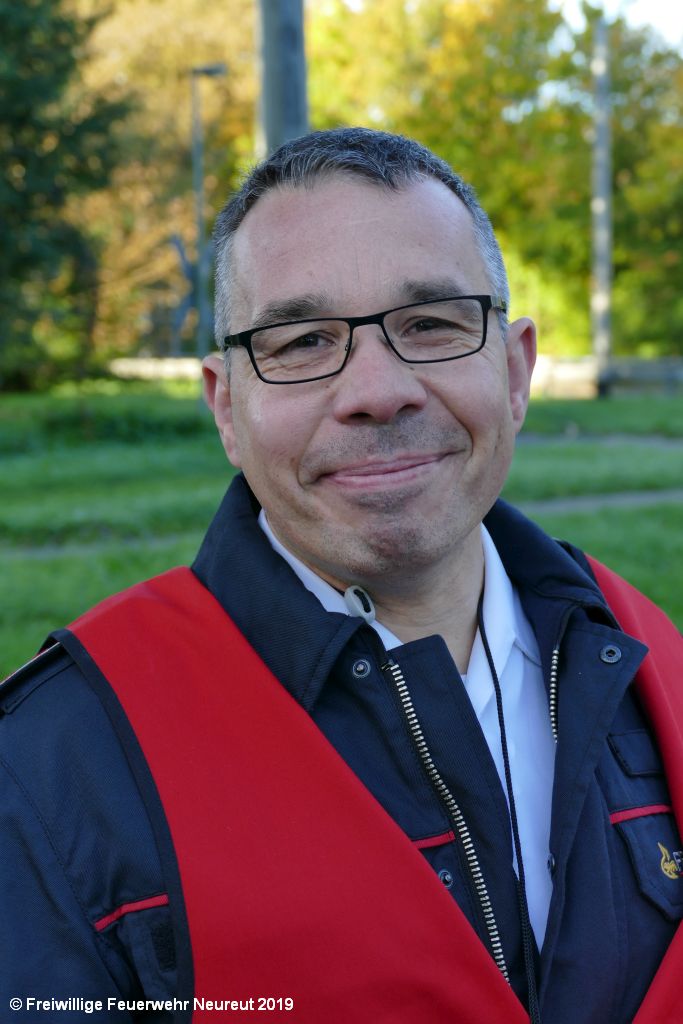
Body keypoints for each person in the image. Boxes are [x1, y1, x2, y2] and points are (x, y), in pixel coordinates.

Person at [2, 128, 682, 1024]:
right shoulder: (54, 762)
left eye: (431, 324)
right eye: (301, 341)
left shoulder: (654, 664)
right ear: (226, 408)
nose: (378, 391)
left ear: (515, 370)